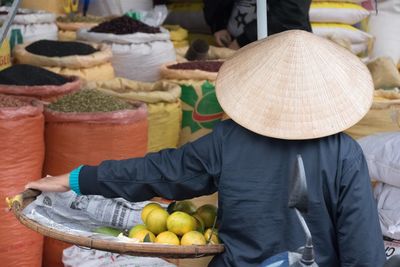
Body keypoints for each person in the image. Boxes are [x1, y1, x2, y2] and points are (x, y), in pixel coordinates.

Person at [25, 30, 386, 267]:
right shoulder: (344, 154)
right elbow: (363, 254)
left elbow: (158, 172)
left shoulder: (230, 141)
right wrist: (78, 178)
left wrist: (76, 178)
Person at [203, 0, 312, 49]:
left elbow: (292, 11)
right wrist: (219, 24)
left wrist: (244, 41)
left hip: (282, 47)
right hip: (231, 41)